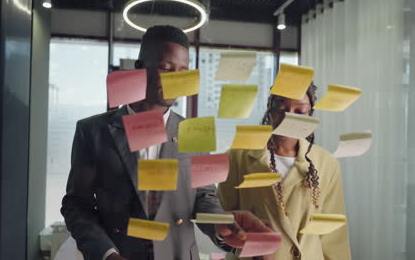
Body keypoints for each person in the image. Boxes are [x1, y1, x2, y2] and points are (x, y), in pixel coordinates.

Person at [61, 25, 271, 260]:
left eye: (183, 71)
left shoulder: (195, 132)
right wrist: (107, 254)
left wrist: (220, 225)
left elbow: (204, 197)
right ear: (140, 69)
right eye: (166, 68)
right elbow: (77, 206)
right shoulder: (92, 131)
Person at [218, 84, 351, 260]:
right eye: (281, 108)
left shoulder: (326, 163)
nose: (289, 118)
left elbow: (334, 237)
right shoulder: (237, 157)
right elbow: (221, 219)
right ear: (270, 108)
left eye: (300, 112)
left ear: (309, 115)